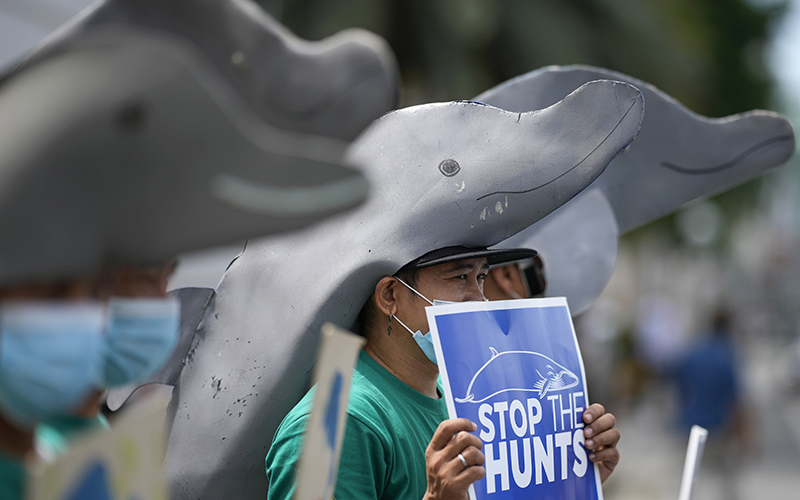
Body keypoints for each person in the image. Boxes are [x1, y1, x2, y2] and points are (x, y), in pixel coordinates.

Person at [266, 246, 620, 499]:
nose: (479, 299)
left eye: (481, 277)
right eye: (460, 277)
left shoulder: (460, 401)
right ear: (390, 296)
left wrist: (573, 481)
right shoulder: (330, 424)